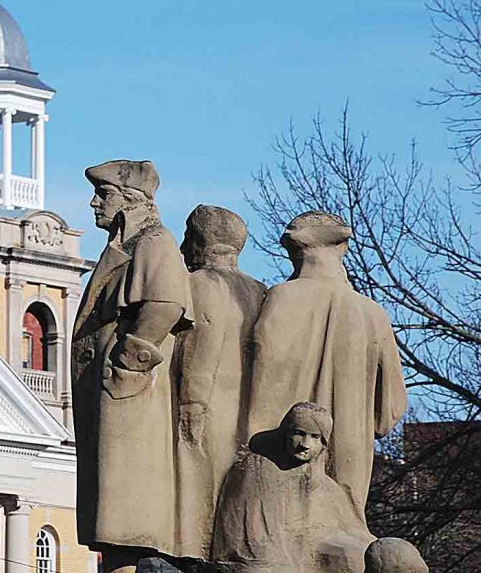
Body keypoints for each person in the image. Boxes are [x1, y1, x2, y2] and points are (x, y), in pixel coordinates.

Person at [71, 160, 194, 571]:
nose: (93, 204)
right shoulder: (125, 246)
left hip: (129, 398)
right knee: (112, 519)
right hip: (116, 397)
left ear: (130, 200)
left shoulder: (154, 242)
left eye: (103, 195)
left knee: (127, 515)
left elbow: (165, 303)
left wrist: (128, 364)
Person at [246, 212, 408, 515]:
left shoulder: (278, 298)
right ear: (340, 251)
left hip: (270, 465)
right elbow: (390, 412)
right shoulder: (372, 314)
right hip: (347, 465)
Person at [171, 205, 266, 560]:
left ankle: (196, 553)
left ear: (199, 241)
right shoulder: (259, 290)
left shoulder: (198, 284)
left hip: (205, 405)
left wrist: (191, 403)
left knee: (199, 488)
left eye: (187, 237)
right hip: (249, 410)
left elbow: (202, 346)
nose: (182, 249)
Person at [213, 403, 374, 573]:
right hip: (266, 561)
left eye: (315, 437)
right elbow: (252, 541)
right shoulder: (258, 468)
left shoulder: (329, 488)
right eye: (299, 433)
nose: (305, 444)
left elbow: (354, 532)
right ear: (285, 433)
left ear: (324, 443)